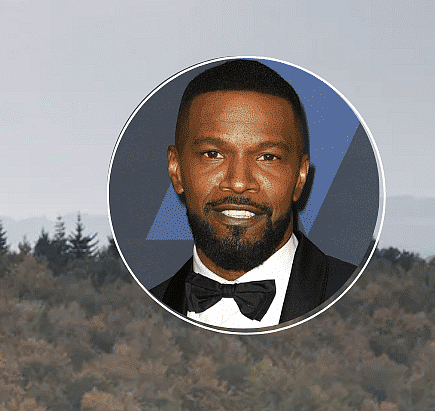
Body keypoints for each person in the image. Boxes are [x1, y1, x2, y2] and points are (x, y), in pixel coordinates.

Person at [149, 59, 359, 330]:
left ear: (300, 177)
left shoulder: (365, 300)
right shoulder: (139, 312)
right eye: (213, 154)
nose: (238, 182)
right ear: (176, 170)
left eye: (267, 157)